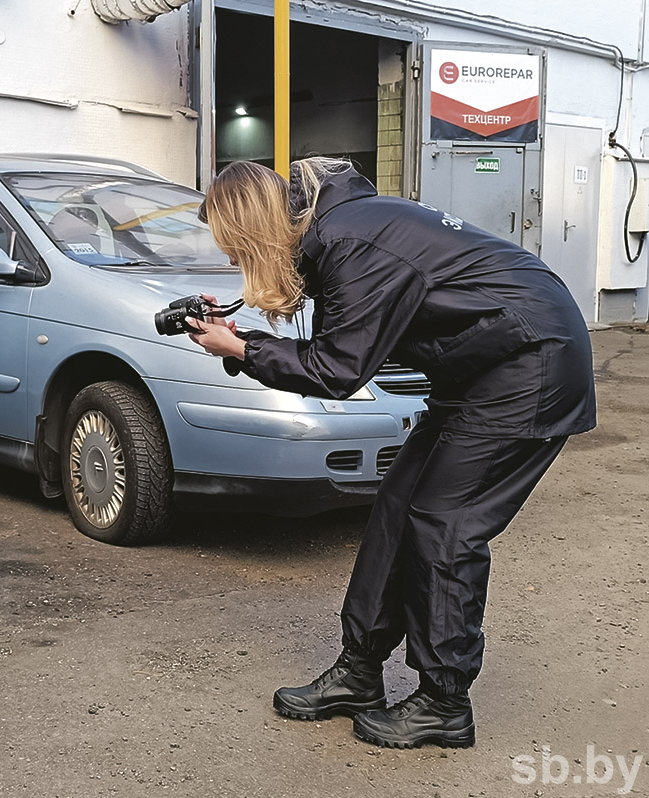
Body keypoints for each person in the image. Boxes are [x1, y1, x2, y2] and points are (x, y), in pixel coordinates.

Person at [186, 158, 596, 749]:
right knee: (398, 506)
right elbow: (341, 338)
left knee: (444, 524)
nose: (230, 260)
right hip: (478, 369)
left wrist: (241, 349)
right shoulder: (336, 231)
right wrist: (241, 330)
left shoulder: (348, 239)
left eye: (232, 247)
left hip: (531, 365)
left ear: (251, 230)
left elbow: (336, 371)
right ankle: (359, 672)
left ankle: (444, 702)